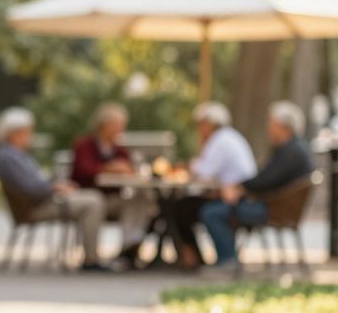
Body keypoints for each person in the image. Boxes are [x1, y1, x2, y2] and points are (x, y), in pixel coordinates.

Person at [199, 101, 314, 269]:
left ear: (284, 127)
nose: (269, 129)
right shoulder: (291, 148)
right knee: (217, 207)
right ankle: (227, 259)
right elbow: (266, 179)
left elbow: (266, 181)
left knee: (211, 212)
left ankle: (228, 261)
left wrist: (240, 189)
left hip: (272, 209)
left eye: (272, 124)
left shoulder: (291, 152)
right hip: (273, 204)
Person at [0, 107, 110, 271]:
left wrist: (56, 184)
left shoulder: (17, 155)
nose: (30, 136)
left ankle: (92, 256)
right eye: (28, 132)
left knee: (92, 198)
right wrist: (54, 187)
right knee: (92, 202)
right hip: (35, 207)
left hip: (42, 201)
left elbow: (34, 183)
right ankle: (91, 259)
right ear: (16, 133)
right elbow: (30, 188)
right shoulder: (8, 157)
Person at [170, 101, 256, 268]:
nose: (199, 129)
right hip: (231, 193)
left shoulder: (220, 141)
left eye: (201, 125)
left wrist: (189, 166)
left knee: (181, 209)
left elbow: (204, 173)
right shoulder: (228, 137)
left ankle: (198, 258)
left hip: (234, 197)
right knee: (183, 208)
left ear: (211, 123)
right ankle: (194, 256)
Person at [69, 102, 157, 267]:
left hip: (113, 198)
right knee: (94, 202)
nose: (120, 130)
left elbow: (131, 172)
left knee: (140, 200)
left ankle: (130, 246)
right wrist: (108, 168)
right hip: (89, 195)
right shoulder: (85, 145)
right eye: (116, 126)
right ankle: (91, 259)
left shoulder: (120, 149)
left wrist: (127, 171)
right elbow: (84, 171)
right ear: (104, 125)